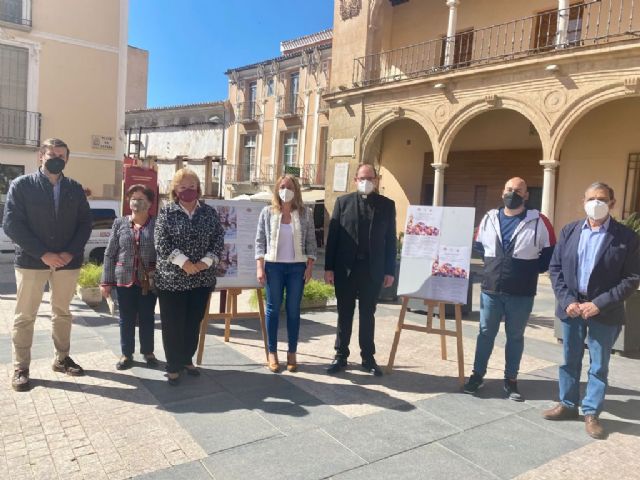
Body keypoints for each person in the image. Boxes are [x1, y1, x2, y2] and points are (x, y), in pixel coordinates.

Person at [543, 182, 640, 439]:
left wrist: (599, 304)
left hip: (604, 311)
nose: (596, 203)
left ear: (612, 203)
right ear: (583, 201)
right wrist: (567, 300)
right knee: (569, 360)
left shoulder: (626, 237)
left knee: (598, 365)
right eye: (591, 198)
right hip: (572, 308)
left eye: (602, 199)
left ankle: (591, 412)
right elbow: (555, 268)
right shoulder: (570, 231)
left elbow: (632, 278)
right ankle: (567, 404)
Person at [2, 138, 92, 391]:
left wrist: (69, 252)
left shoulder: (74, 188)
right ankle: (21, 367)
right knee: (25, 316)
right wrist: (43, 254)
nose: (57, 159)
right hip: (32, 261)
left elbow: (85, 223)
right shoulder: (22, 185)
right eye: (52, 154)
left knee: (62, 312)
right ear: (41, 156)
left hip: (67, 262)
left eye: (62, 156)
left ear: (67, 159)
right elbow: (12, 224)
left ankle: (62, 359)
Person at [463, 177, 556, 401]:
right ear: (502, 192)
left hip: (521, 292)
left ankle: (511, 379)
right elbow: (479, 246)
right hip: (491, 289)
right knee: (485, 334)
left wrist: (526, 272)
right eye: (509, 189)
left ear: (526, 195)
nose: (513, 193)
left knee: (515, 336)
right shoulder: (489, 218)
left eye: (518, 190)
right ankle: (477, 375)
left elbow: (550, 253)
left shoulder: (539, 221)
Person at [324, 163, 396, 376]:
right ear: (355, 180)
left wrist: (390, 270)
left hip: (372, 270)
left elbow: (390, 240)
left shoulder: (387, 205)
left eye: (370, 178)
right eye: (362, 178)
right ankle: (340, 355)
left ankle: (368, 357)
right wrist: (328, 268)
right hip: (346, 269)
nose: (366, 181)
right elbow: (333, 238)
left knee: (367, 314)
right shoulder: (343, 203)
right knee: (344, 313)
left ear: (376, 180)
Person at [154, 168, 224, 385]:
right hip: (172, 280)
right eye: (183, 187)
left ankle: (186, 359)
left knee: (193, 322)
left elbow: (218, 239)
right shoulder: (167, 213)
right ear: (175, 190)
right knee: (173, 324)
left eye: (192, 186)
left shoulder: (209, 212)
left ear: (198, 188)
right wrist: (184, 263)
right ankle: (173, 365)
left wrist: (205, 262)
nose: (188, 190)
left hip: (201, 280)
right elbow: (161, 241)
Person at [255, 174, 317, 373]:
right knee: (273, 309)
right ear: (276, 189)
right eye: (282, 186)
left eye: (289, 187)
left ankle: (292, 352)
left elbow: (311, 243)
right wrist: (259, 266)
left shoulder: (306, 213)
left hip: (297, 268)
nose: (285, 190)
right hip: (273, 267)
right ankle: (272, 353)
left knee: (293, 310)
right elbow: (260, 241)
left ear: (296, 190)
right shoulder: (267, 212)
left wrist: (309, 267)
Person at [100, 184, 158, 370]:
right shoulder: (120, 223)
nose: (136, 202)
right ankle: (126, 354)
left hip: (148, 282)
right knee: (126, 318)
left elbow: (162, 254)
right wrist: (106, 282)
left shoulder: (157, 224)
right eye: (133, 199)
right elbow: (110, 254)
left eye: (141, 199)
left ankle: (148, 352)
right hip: (123, 280)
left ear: (149, 203)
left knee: (147, 317)